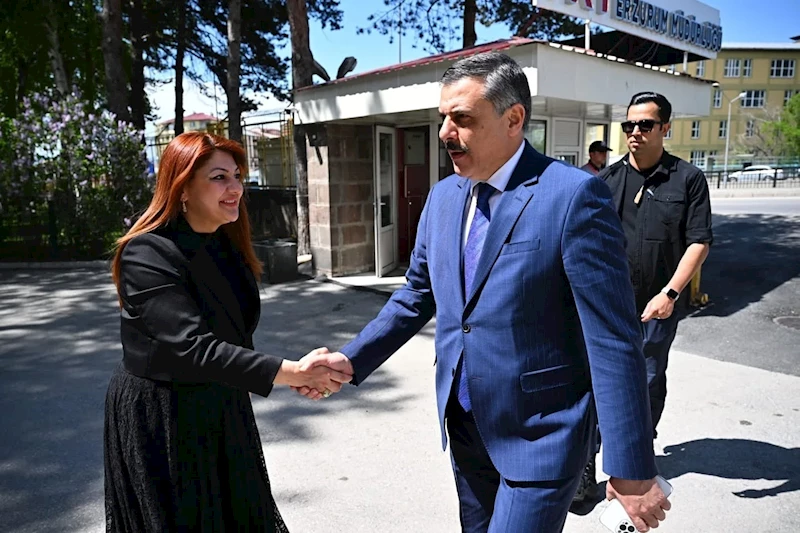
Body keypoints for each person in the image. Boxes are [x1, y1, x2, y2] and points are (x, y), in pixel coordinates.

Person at [296, 52, 670, 532]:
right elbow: (416, 294)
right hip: (465, 426)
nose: (445, 133)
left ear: (513, 119)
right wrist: (352, 359)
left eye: (462, 119)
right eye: (443, 118)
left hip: (541, 434)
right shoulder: (443, 197)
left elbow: (612, 337)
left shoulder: (574, 195)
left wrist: (630, 464)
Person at [104, 132, 352, 532]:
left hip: (222, 403)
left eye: (237, 176)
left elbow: (235, 336)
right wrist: (292, 373)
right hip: (165, 416)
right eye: (219, 177)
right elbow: (193, 348)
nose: (235, 188)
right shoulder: (147, 253)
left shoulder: (226, 244)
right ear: (183, 187)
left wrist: (292, 375)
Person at [574, 92, 713, 501]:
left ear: (665, 128)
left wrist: (670, 293)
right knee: (595, 382)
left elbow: (699, 242)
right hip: (608, 307)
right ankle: (586, 464)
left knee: (648, 380)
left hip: (658, 307)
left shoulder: (687, 179)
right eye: (629, 125)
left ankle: (636, 456)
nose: (635, 132)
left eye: (645, 125)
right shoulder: (604, 182)